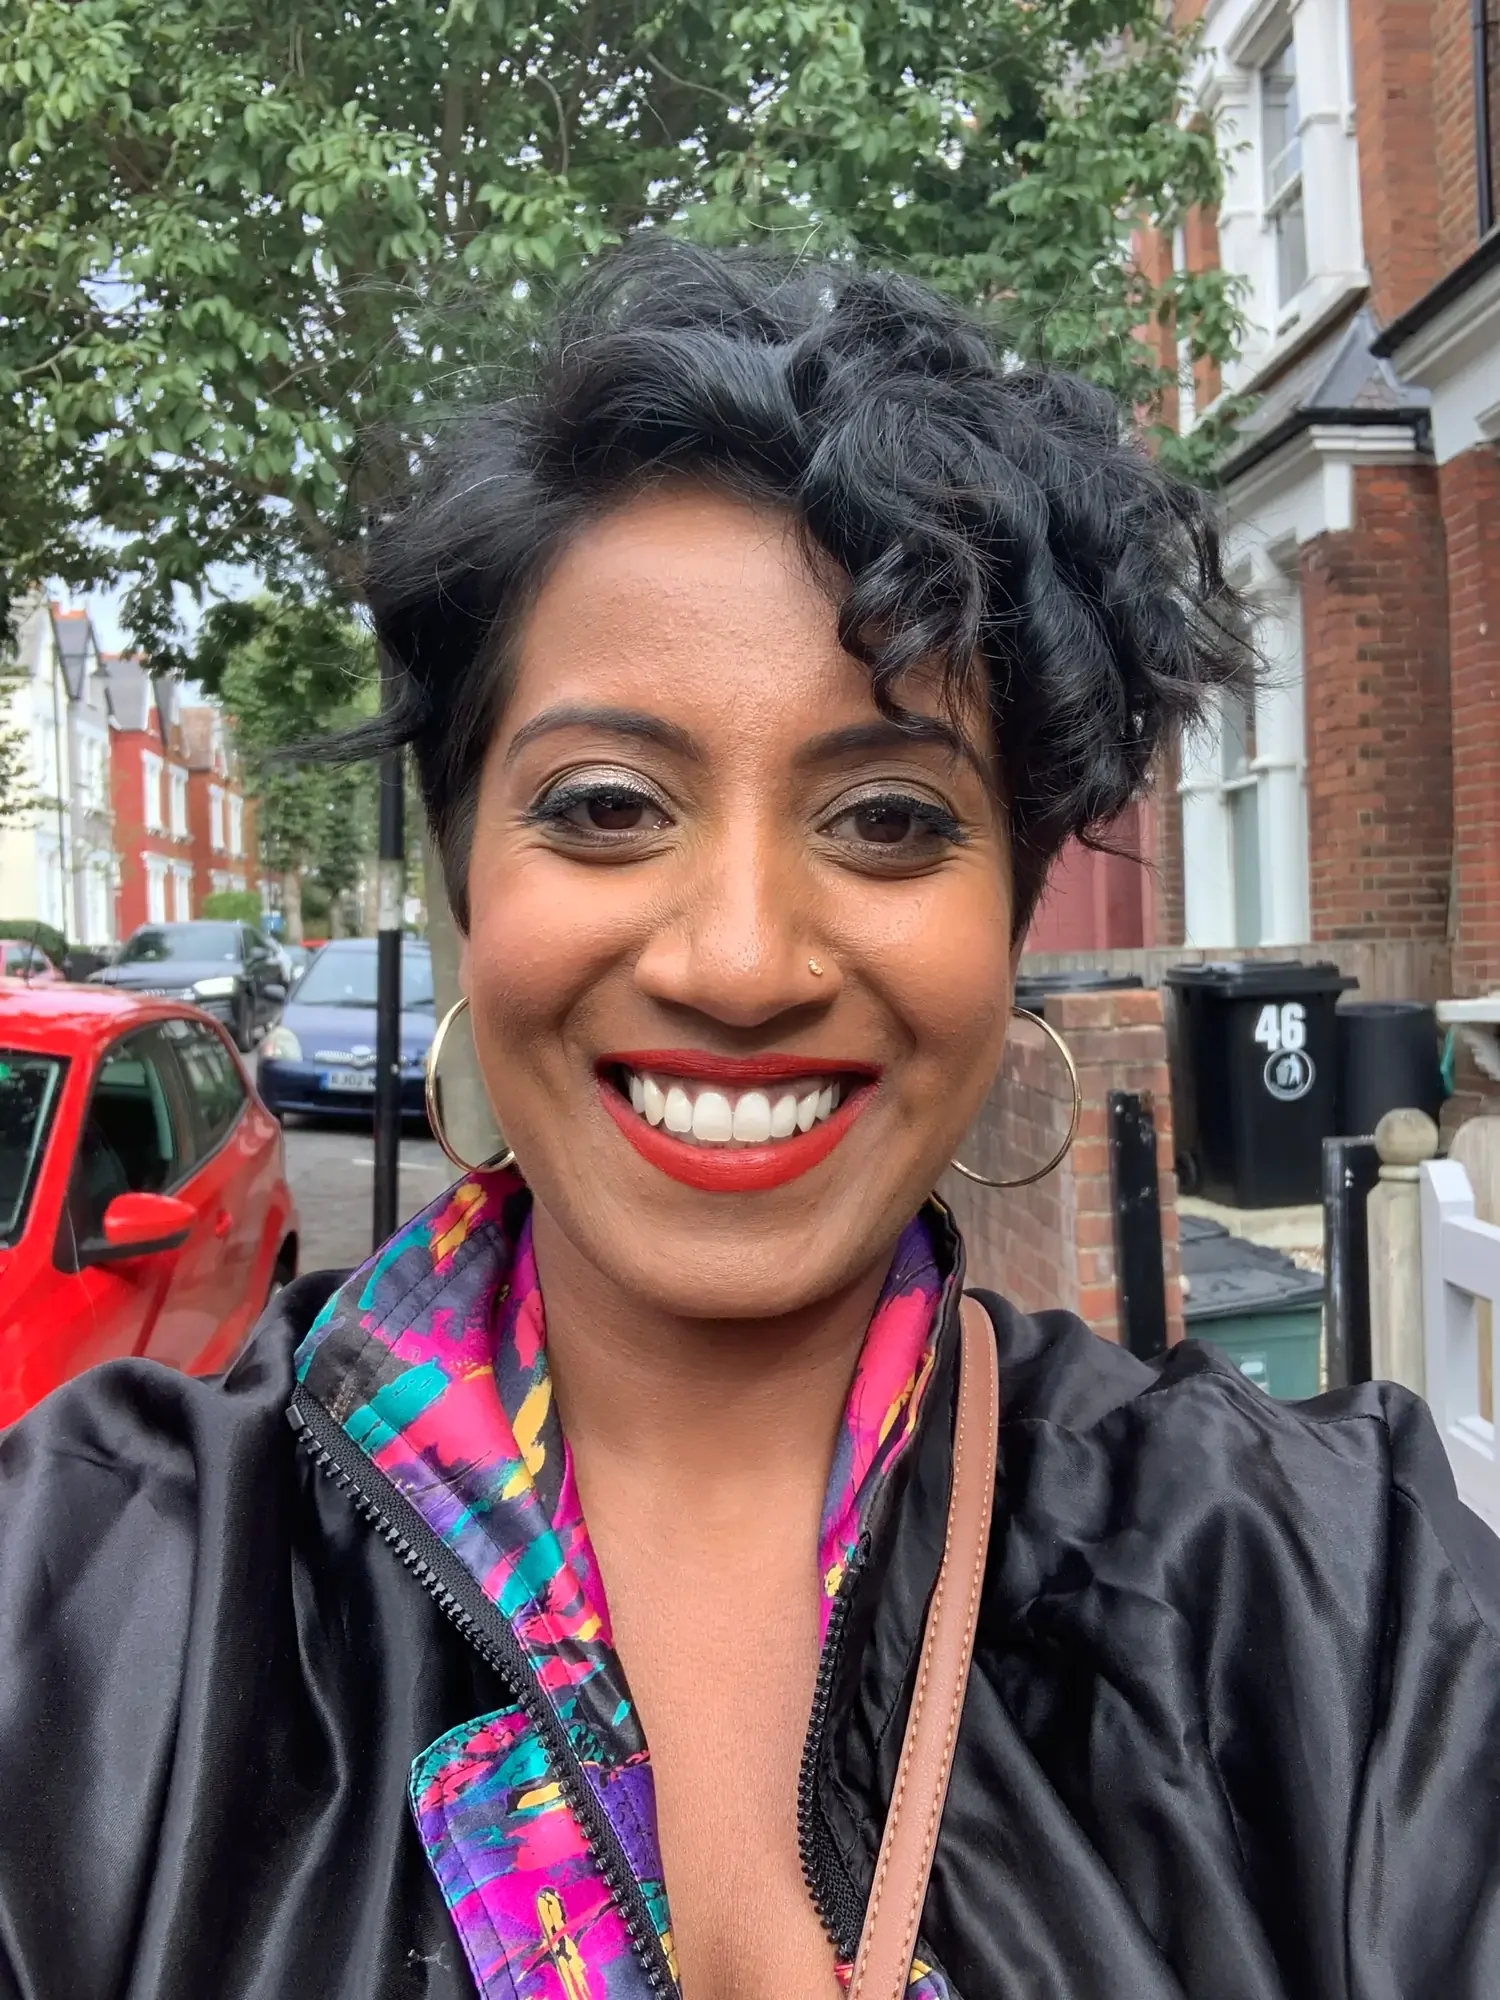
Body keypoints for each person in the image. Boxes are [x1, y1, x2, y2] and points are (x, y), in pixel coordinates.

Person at [2, 242, 1498, 2000]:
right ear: (466, 888)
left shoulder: (1344, 1596)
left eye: (883, 821)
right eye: (610, 803)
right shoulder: (77, 1596)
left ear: (1007, 915)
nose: (737, 962)